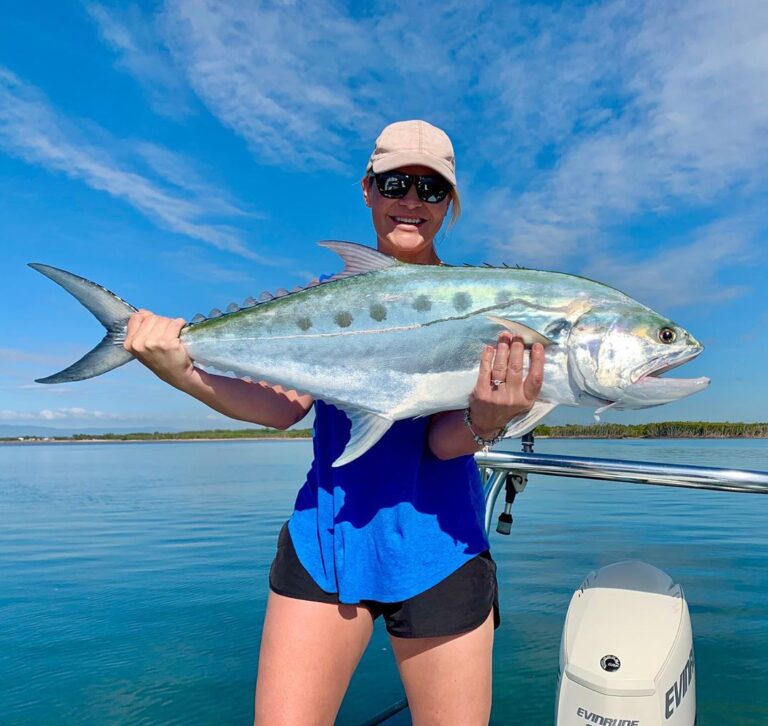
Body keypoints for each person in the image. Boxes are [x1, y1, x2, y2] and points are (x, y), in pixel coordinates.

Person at [123, 119, 545, 725]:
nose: (410, 201)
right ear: (367, 190)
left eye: (431, 190)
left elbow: (444, 442)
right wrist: (180, 370)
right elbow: (280, 408)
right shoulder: (323, 301)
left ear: (449, 206)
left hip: (442, 550)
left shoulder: (481, 304)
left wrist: (493, 417)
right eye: (396, 182)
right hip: (325, 539)